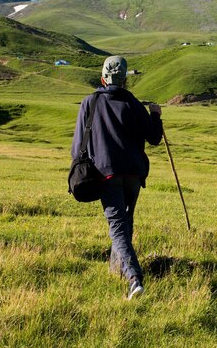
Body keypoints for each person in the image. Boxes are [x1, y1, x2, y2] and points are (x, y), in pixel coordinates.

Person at [71, 56, 162, 299]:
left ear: (102, 78)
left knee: (118, 227)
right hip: (133, 174)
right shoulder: (132, 103)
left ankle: (134, 279)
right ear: (125, 81)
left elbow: (77, 146)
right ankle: (117, 270)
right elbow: (154, 137)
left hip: (106, 174)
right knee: (124, 223)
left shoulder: (90, 102)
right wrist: (155, 115)